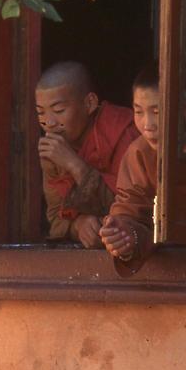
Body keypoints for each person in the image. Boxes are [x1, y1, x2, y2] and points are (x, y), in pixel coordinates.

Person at [36, 61, 140, 248]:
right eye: (40, 113)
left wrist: (75, 165)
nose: (49, 123)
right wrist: (78, 225)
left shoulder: (123, 132)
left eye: (59, 110)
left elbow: (135, 208)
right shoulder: (53, 151)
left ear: (90, 103)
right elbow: (54, 218)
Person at [100, 63, 160, 275]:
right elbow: (131, 209)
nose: (147, 124)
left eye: (157, 111)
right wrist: (125, 235)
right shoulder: (138, 153)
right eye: (138, 111)